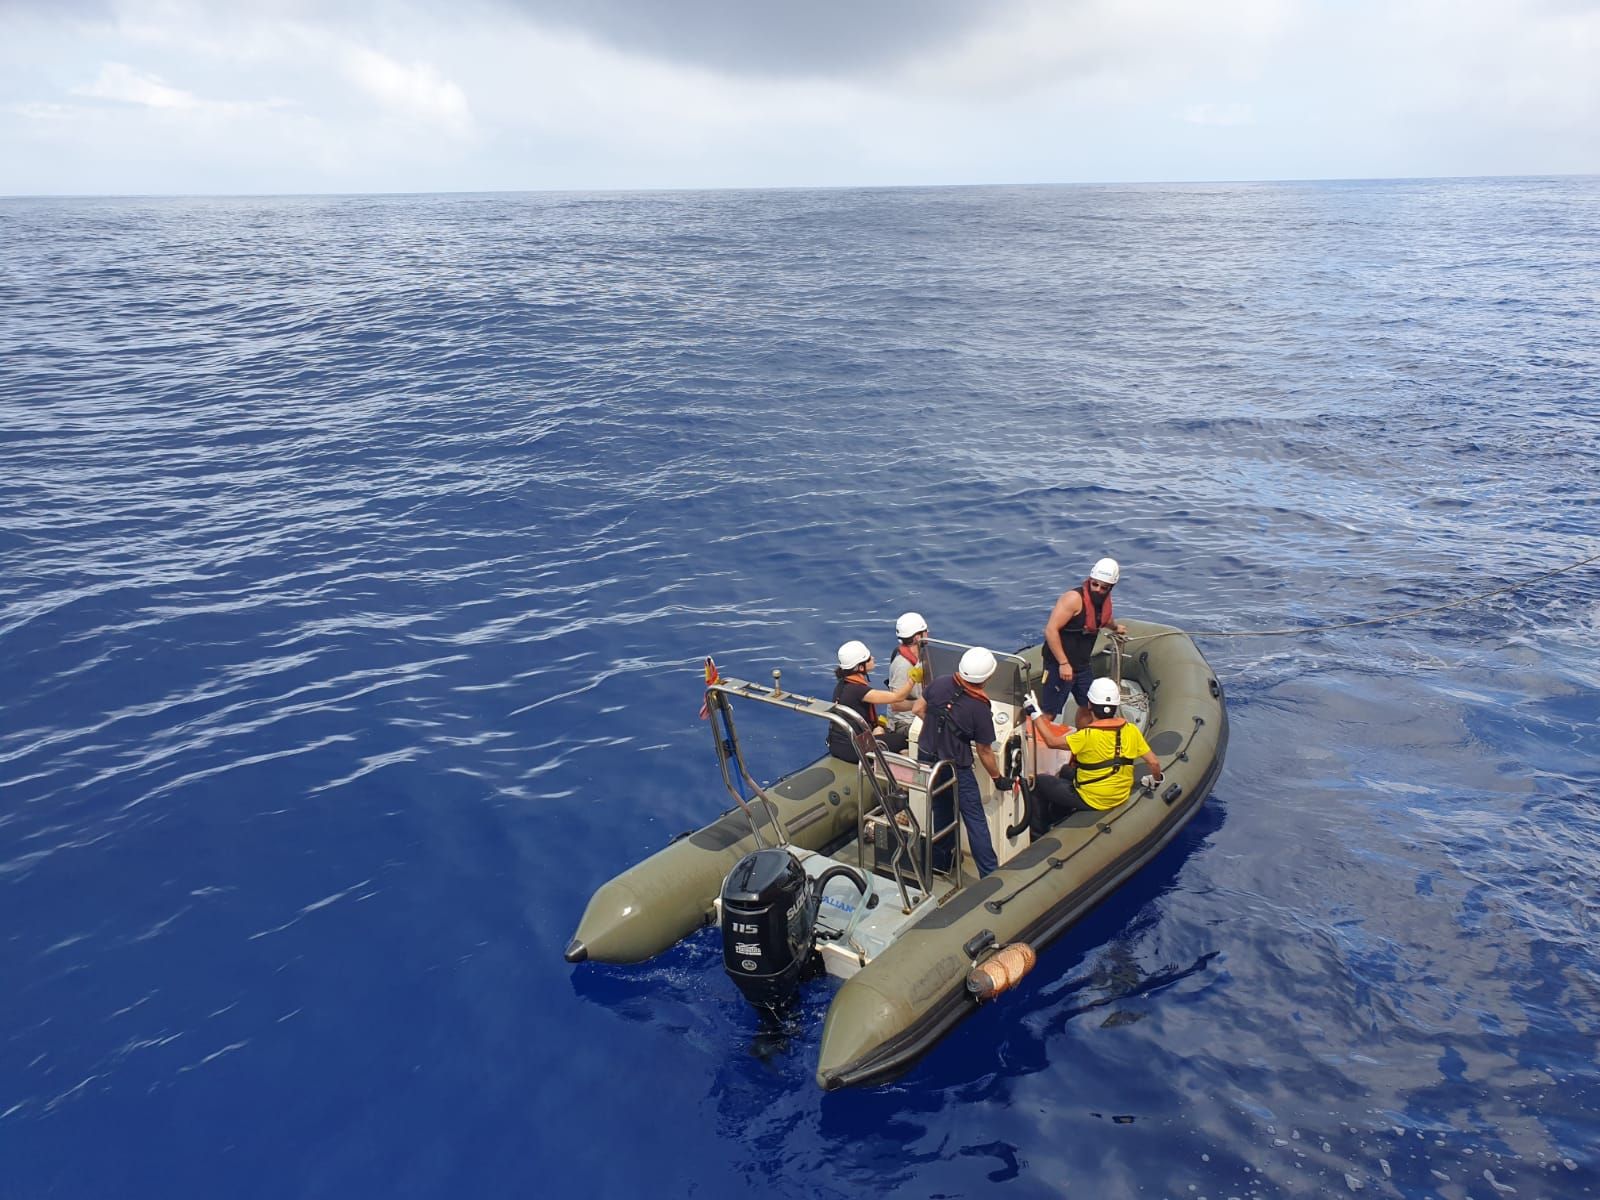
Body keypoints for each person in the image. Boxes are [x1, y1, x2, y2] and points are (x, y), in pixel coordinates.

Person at [917, 646, 1011, 877]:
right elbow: (985, 750)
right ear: (987, 677)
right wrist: (998, 778)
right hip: (955, 767)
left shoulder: (939, 683)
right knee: (975, 819)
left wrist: (934, 726)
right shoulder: (979, 708)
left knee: (940, 808)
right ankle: (989, 874)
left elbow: (918, 707)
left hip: (926, 757)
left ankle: (941, 861)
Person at [1026, 677, 1162, 834]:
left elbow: (1051, 741)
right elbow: (1154, 763)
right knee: (1065, 771)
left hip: (1093, 799)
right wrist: (1155, 780)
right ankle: (1060, 816)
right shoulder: (1131, 730)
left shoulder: (1086, 736)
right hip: (1119, 795)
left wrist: (1035, 714)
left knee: (1041, 783)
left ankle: (1038, 833)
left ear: (1090, 705)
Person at [1040, 556, 1129, 727]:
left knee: (1088, 705)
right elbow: (1051, 630)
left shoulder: (1102, 602)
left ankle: (1083, 738)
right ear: (1090, 580)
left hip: (1082, 665)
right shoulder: (1073, 599)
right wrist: (1063, 663)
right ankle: (1038, 746)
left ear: (1110, 587)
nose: (1097, 589)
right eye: (1095, 584)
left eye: (1103, 587)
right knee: (1049, 712)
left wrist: (1115, 628)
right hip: (1059, 664)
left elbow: (1103, 619)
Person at [826, 641, 913, 764]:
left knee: (882, 731)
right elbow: (898, 697)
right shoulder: (858, 690)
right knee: (904, 740)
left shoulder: (843, 684)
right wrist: (913, 679)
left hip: (837, 745)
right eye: (868, 659)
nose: (873, 658)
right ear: (860, 667)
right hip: (853, 750)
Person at [884, 611, 929, 726]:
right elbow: (896, 704)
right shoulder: (902, 665)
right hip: (905, 722)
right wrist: (923, 703)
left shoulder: (922, 655)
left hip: (918, 714)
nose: (928, 634)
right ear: (918, 637)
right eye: (925, 631)